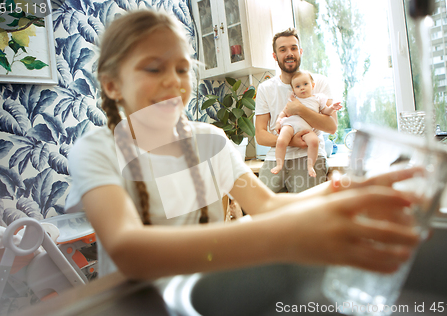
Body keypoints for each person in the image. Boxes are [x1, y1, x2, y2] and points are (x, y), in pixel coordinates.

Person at [65, 10, 419, 282]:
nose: (173, 81)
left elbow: (266, 204)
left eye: (182, 69)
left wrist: (342, 188)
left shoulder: (210, 141)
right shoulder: (96, 151)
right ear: (111, 85)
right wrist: (287, 238)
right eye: (153, 69)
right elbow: (129, 249)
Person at [255, 28, 337, 193]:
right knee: (261, 211)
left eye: (293, 48)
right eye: (282, 50)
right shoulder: (265, 88)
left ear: (300, 51)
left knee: (306, 214)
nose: (289, 53)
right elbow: (260, 135)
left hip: (309, 157)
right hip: (275, 158)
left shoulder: (318, 82)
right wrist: (290, 141)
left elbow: (332, 127)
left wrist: (299, 109)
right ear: (275, 56)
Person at [273, 70, 342, 177]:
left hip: (307, 129)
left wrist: (332, 108)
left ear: (313, 85)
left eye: (305, 84)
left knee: (314, 141)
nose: (302, 88)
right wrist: (278, 122)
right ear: (293, 90)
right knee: (281, 140)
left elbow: (325, 111)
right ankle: (279, 164)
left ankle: (310, 166)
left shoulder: (318, 99)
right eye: (298, 86)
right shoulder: (293, 100)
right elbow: (284, 112)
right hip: (290, 125)